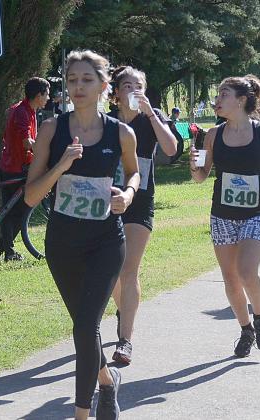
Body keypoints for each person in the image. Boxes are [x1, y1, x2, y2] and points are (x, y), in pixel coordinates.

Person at [24, 50, 139, 420]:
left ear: (105, 86)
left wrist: (129, 193)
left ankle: (80, 414)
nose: (78, 87)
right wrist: (62, 164)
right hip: (62, 243)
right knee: (84, 326)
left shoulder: (121, 132)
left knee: (86, 324)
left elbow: (135, 174)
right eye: (72, 80)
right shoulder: (52, 130)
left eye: (87, 79)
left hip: (106, 240)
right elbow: (30, 195)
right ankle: (107, 381)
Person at [189, 75, 260, 357]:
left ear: (241, 100)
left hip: (256, 212)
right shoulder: (213, 135)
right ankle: (246, 328)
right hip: (222, 214)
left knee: (247, 271)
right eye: (218, 94)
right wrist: (193, 164)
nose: (217, 100)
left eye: (224, 94)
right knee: (231, 280)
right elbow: (201, 176)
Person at [107, 66, 177, 365]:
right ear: (115, 94)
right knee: (109, 273)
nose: (134, 90)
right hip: (107, 201)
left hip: (141, 199)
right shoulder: (105, 122)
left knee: (128, 269)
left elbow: (171, 148)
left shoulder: (153, 117)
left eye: (139, 85)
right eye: (127, 85)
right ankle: (124, 309)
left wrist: (151, 114)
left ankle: (126, 340)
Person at [0, 77, 50, 261]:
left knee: (19, 210)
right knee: (13, 211)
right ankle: (7, 252)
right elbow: (26, 141)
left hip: (17, 165)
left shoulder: (28, 109)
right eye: (46, 94)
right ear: (38, 95)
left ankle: (0, 249)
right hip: (13, 167)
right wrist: (45, 151)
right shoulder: (22, 112)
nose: (48, 98)